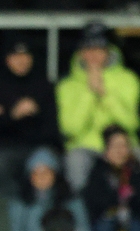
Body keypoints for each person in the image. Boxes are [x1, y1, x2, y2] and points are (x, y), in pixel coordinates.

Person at [57, 21, 140, 192]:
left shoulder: (128, 79)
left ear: (108, 51)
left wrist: (104, 93)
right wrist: (89, 93)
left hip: (122, 143)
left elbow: (131, 124)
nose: (92, 55)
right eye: (87, 49)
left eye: (98, 49)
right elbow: (70, 129)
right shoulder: (67, 85)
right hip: (86, 145)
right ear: (80, 52)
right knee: (76, 162)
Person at [0, 33, 60, 199]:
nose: (21, 61)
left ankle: (42, 219)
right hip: (5, 149)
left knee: (42, 165)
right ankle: (10, 217)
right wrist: (13, 116)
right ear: (7, 59)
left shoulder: (43, 85)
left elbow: (51, 130)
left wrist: (5, 117)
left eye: (25, 55)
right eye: (15, 56)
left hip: (38, 147)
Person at [9, 147, 90, 231]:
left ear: (55, 174)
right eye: (36, 173)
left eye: (46, 172)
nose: (42, 177)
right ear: (30, 177)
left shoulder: (71, 201)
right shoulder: (20, 205)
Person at [82, 124, 140, 231]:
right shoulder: (98, 171)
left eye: (124, 146)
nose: (120, 151)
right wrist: (117, 197)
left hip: (133, 217)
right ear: (106, 149)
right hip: (107, 219)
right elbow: (94, 202)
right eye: (115, 146)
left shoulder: (135, 170)